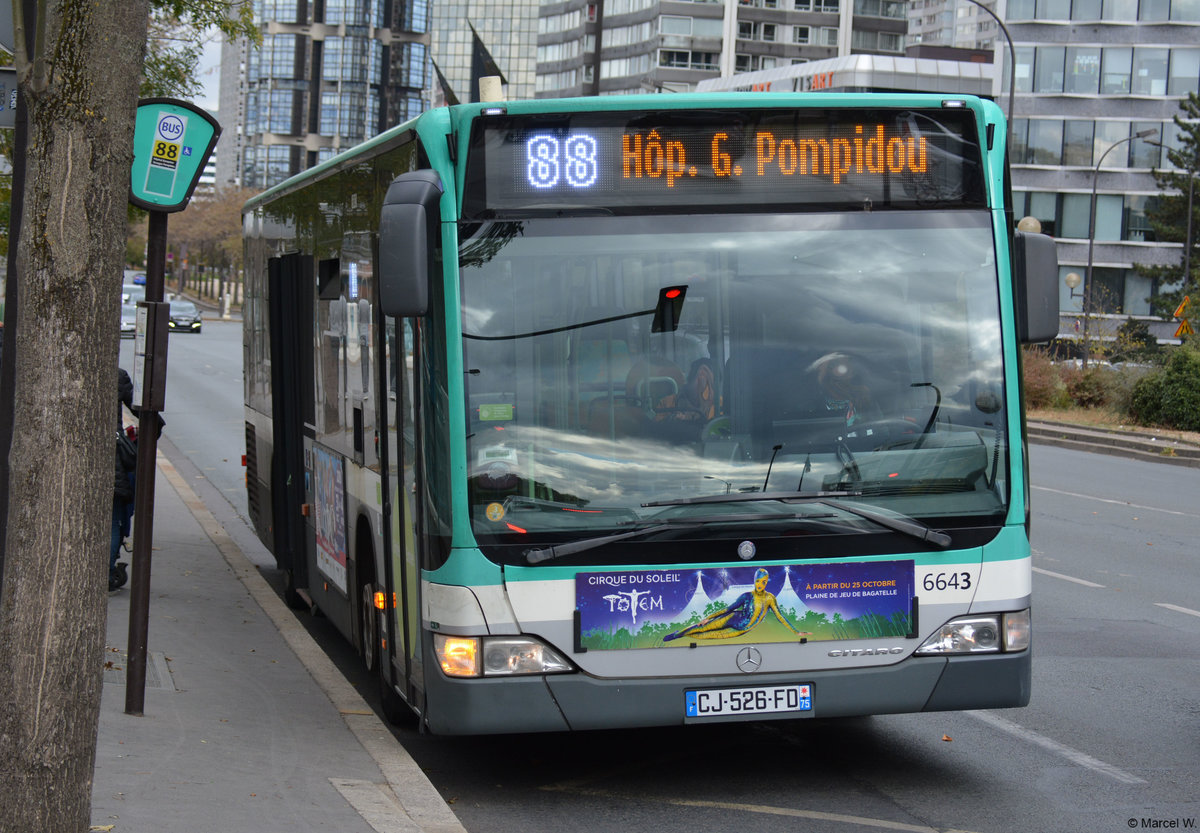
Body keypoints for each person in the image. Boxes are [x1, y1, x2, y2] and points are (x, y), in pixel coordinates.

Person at [663, 567, 809, 642]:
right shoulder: (747, 596)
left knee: (707, 636)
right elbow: (728, 609)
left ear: (766, 582)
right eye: (758, 581)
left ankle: (683, 636)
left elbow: (780, 617)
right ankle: (677, 634)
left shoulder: (770, 598)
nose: (760, 584)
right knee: (701, 627)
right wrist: (708, 617)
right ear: (754, 581)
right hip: (732, 618)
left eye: (763, 582)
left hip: (742, 629)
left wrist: (796, 631)